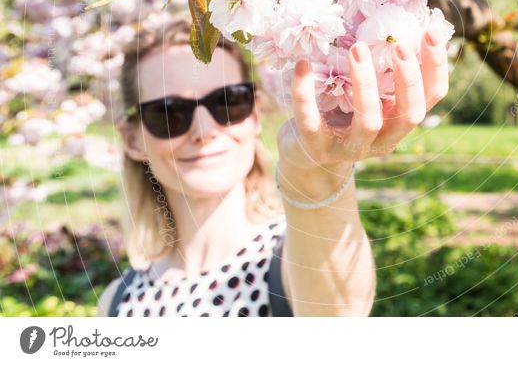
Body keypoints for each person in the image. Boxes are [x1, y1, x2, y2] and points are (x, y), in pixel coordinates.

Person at [95, 17, 449, 317]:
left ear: (254, 113)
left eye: (228, 102)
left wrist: (315, 176)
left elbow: (339, 315)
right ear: (132, 140)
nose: (204, 132)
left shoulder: (288, 258)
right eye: (168, 113)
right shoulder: (116, 303)